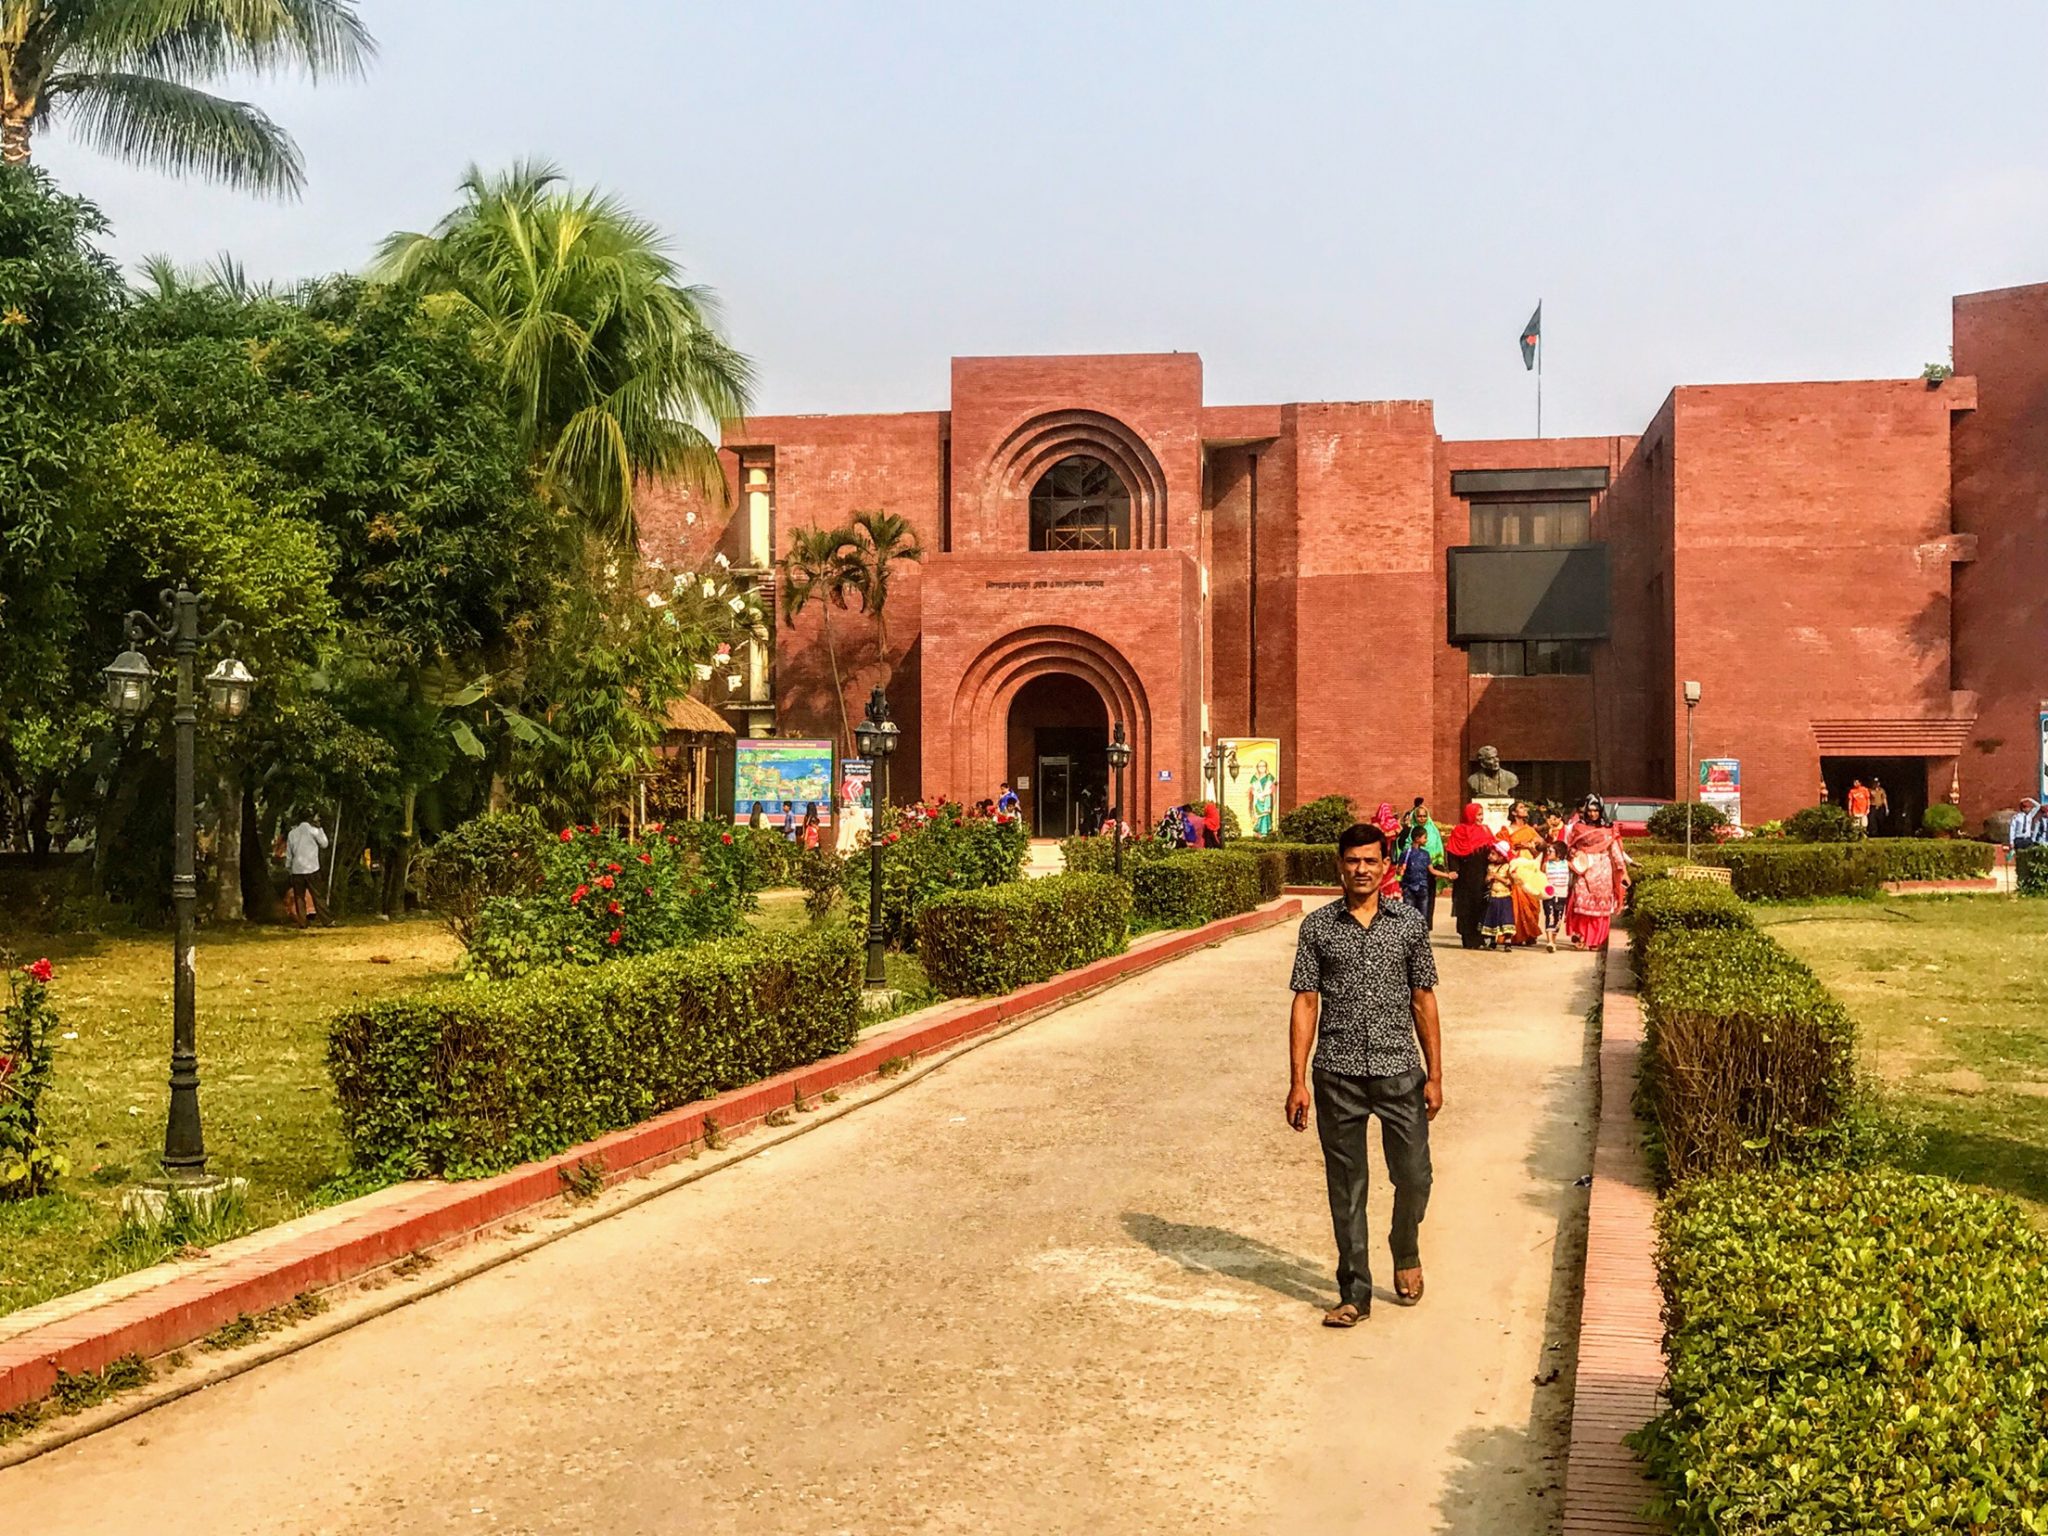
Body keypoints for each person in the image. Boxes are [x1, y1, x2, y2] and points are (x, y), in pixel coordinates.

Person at [1286, 822, 1443, 1327]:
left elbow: (1424, 1000)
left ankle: (1404, 1244)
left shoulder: (1408, 926)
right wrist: (1297, 1080)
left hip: (1400, 1072)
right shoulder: (1318, 928)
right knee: (1347, 1185)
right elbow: (1306, 1002)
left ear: (1386, 866)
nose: (1361, 869)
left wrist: (1435, 1074)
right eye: (1352, 860)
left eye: (1370, 860)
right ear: (1340, 865)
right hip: (1338, 1074)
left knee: (1415, 1177)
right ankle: (1354, 1291)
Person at [1565, 796, 1630, 948]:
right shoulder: (1578, 828)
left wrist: (1623, 871)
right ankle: (1581, 936)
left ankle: (1595, 940)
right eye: (1590, 811)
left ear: (1601, 811)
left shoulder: (1608, 829)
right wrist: (1576, 855)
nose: (1593, 814)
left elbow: (1615, 851)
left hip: (1603, 870)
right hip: (1584, 868)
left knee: (1600, 906)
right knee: (1580, 901)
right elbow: (1571, 847)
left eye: (1596, 811)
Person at [1443, 803, 1497, 951]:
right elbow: (1452, 852)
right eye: (1478, 815)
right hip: (1465, 878)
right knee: (1466, 907)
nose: (1481, 818)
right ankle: (1468, 938)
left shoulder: (1485, 830)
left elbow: (1493, 850)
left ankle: (1480, 937)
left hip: (1481, 875)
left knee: (1481, 905)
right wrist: (1453, 870)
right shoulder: (1459, 831)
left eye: (1482, 814)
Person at [284, 811, 330, 930]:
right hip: (312, 868)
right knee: (317, 895)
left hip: (297, 869)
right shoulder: (313, 830)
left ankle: (302, 922)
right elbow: (324, 844)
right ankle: (326, 920)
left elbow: (289, 853)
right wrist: (320, 829)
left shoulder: (292, 833)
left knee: (299, 896)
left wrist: (288, 867)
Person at [1508, 837, 1545, 946]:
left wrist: (1531, 849)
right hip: (1519, 881)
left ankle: (1531, 935)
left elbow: (1538, 860)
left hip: (1532, 882)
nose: (1531, 843)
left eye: (1536, 843)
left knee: (1533, 908)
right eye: (1532, 841)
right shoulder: (1516, 845)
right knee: (1517, 909)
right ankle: (1517, 936)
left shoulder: (1539, 853)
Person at [1481, 846, 1516, 949]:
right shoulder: (1490, 867)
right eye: (1490, 854)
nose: (1490, 856)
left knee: (1506, 918)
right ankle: (1493, 940)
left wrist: (1499, 878)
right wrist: (1488, 878)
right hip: (1493, 896)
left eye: (1493, 854)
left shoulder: (1507, 867)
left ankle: (1508, 941)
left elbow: (1510, 882)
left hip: (1504, 896)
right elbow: (1486, 881)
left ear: (1501, 856)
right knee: (1493, 918)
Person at [1541, 841, 1571, 953]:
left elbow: (1579, 869)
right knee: (1550, 916)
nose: (1548, 853)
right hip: (1549, 895)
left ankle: (1553, 941)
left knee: (1558, 919)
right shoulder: (1546, 865)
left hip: (1562, 894)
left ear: (1559, 853)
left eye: (1551, 851)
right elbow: (1541, 878)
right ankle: (1549, 941)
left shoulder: (1567, 864)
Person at [1249, 758, 1277, 837]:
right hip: (1257, 800)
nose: (1261, 768)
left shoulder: (1269, 777)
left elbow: (1271, 789)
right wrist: (1258, 795)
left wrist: (1263, 794)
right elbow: (1253, 789)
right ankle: (1258, 831)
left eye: (1263, 766)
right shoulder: (1254, 778)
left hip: (1266, 800)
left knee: (1265, 815)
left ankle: (1264, 832)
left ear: (1266, 767)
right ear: (1257, 768)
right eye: (1259, 766)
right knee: (1258, 815)